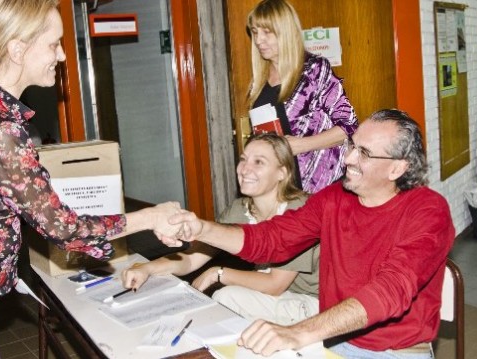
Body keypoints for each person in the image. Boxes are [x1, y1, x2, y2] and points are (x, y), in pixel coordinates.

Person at [0, 1, 182, 358]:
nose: (61, 55)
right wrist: (152, 217)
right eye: (54, 43)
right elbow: (64, 228)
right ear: (17, 48)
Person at [165, 109, 455, 358]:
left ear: (397, 168)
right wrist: (202, 228)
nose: (348, 159)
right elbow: (273, 239)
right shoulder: (335, 197)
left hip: (391, 352)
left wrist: (298, 332)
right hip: (333, 339)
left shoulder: (428, 210)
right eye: (352, 146)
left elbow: (390, 291)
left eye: (364, 153)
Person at [121, 133, 320, 324]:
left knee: (226, 298)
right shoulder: (240, 210)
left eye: (258, 162)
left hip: (317, 303)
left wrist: (218, 273)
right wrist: (147, 268)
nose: (245, 169)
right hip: (284, 298)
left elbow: (275, 285)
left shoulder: (298, 210)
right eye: (243, 159)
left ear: (282, 172)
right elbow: (191, 259)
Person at [246, 0, 358, 194]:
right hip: (279, 187)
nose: (258, 40)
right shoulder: (260, 79)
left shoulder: (314, 70)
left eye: (267, 32)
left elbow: (349, 127)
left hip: (318, 186)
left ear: (286, 32)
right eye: (255, 32)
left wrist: (301, 145)